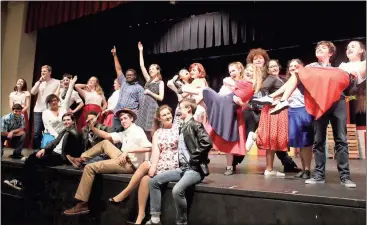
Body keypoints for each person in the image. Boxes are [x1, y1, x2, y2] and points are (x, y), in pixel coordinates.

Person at [255, 41, 356, 187]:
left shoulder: (338, 69)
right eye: (317, 47)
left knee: (341, 139)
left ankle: (345, 176)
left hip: (337, 102)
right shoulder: (310, 67)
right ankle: (318, 175)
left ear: (331, 53)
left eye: (323, 48)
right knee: (318, 140)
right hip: (319, 104)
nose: (319, 49)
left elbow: (350, 84)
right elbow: (295, 81)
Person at [63, 108, 152, 215]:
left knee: (89, 167)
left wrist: (128, 151)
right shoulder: (126, 132)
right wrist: (92, 127)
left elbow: (149, 147)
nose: (123, 121)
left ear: (132, 119)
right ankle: (81, 159)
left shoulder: (137, 131)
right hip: (123, 158)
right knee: (105, 142)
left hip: (130, 165)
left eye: (125, 118)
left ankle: (83, 204)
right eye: (121, 119)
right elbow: (107, 136)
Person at [109, 105, 179, 225]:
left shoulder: (179, 129)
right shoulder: (157, 133)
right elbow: (156, 152)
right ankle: (140, 216)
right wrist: (153, 166)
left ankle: (125, 193)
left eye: (168, 114)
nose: (167, 116)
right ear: (159, 118)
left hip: (173, 163)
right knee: (145, 178)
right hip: (161, 163)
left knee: (146, 164)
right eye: (164, 115)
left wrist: (152, 166)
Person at [146, 98, 212, 225]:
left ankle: (181, 222)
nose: (178, 111)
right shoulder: (182, 126)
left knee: (177, 190)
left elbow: (207, 143)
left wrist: (194, 158)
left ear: (188, 109)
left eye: (181, 108)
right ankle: (155, 218)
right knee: (154, 181)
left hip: (194, 169)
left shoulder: (194, 124)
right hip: (183, 168)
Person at [202, 62, 262, 175]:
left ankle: (230, 167)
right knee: (208, 135)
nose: (249, 72)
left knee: (229, 141)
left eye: (252, 71)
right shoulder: (232, 82)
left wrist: (241, 102)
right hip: (222, 110)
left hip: (233, 113)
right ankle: (202, 161)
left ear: (240, 69)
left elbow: (245, 102)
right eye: (248, 70)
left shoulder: (249, 86)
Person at [3, 112, 82, 195]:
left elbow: (75, 151)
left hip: (61, 157)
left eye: (68, 120)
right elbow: (54, 142)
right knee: (33, 156)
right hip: (55, 152)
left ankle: (23, 183)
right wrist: (44, 149)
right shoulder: (64, 131)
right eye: (64, 120)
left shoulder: (74, 134)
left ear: (73, 121)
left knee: (33, 160)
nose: (66, 122)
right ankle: (25, 183)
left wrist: (71, 159)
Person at [286, 59, 313, 179]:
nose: (292, 67)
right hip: (292, 112)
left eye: (295, 65)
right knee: (299, 143)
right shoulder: (288, 82)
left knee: (306, 142)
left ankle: (307, 169)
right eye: (290, 66)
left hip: (303, 110)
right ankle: (303, 169)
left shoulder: (304, 80)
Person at [111, 46, 145, 132]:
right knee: (115, 135)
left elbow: (142, 105)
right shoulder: (123, 82)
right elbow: (118, 69)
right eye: (127, 75)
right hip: (118, 113)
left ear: (135, 76)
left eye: (131, 75)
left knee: (127, 137)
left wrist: (138, 119)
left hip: (129, 115)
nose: (128, 76)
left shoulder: (139, 88)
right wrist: (115, 55)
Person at [136, 42, 165, 140]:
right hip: (144, 106)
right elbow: (142, 66)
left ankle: (156, 150)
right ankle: (148, 151)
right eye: (150, 69)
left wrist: (150, 92)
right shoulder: (148, 80)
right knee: (143, 131)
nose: (150, 70)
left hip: (152, 106)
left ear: (158, 71)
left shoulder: (160, 83)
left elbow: (161, 98)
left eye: (153, 69)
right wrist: (141, 51)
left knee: (152, 129)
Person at [30, 65, 60, 150]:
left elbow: (58, 94)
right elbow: (32, 92)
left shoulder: (56, 82)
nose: (42, 73)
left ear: (50, 72)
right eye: (41, 71)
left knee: (50, 131)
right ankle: (36, 151)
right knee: (37, 132)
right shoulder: (39, 83)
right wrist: (39, 81)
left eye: (44, 71)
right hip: (38, 109)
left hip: (50, 110)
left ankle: (48, 151)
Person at [9, 78, 30, 147]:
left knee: (22, 129)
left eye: (22, 82)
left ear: (24, 84)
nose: (20, 82)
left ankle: (21, 147)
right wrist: (15, 112)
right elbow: (11, 105)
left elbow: (27, 105)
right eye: (19, 81)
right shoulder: (12, 94)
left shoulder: (26, 93)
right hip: (14, 113)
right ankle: (12, 145)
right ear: (16, 83)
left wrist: (21, 112)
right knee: (13, 128)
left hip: (23, 112)